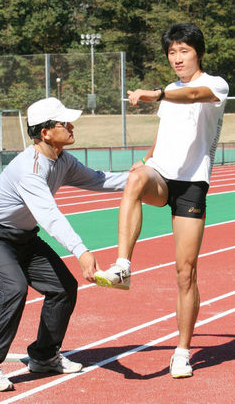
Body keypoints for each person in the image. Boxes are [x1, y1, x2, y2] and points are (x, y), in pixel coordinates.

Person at [0, 97, 128, 392]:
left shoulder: (62, 160)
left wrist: (141, 179)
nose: (71, 126)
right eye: (64, 122)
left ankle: (43, 356)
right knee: (13, 290)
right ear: (45, 132)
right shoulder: (30, 168)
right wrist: (81, 250)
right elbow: (49, 216)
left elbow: (99, 180)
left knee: (63, 287)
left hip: (23, 238)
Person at [94, 23, 229, 378]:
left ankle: (182, 351)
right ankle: (123, 266)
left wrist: (157, 93)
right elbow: (165, 132)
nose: (177, 58)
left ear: (197, 52)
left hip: (191, 184)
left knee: (186, 273)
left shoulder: (215, 85)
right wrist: (145, 158)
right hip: (160, 174)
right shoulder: (169, 90)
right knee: (136, 178)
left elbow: (193, 96)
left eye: (183, 51)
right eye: (171, 52)